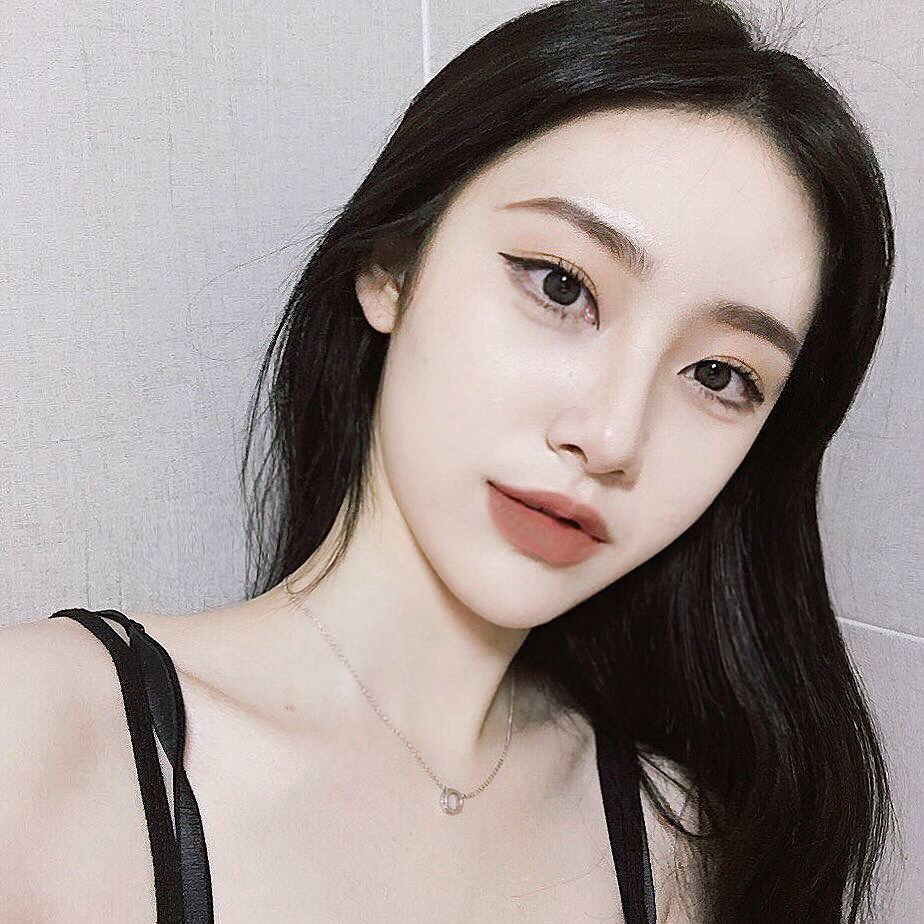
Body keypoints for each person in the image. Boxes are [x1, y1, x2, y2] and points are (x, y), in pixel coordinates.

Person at [1, 0, 898, 921]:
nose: (611, 438)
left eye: (719, 375)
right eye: (562, 286)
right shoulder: (36, 741)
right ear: (392, 266)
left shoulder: (680, 846)